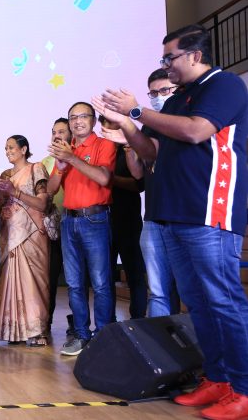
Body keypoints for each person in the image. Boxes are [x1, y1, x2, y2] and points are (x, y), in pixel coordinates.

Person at [100, 24, 248, 419]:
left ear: (195, 55)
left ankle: (244, 388)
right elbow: (151, 151)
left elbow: (198, 131)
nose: (166, 64)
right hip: (171, 214)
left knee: (223, 301)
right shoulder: (177, 98)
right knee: (197, 302)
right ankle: (218, 378)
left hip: (207, 212)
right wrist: (127, 125)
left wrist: (137, 110)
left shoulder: (225, 85)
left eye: (171, 57)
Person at [94, 69, 181, 317]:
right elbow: (142, 172)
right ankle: (130, 329)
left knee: (146, 277)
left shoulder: (180, 125)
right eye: (153, 93)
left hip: (140, 218)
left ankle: (144, 320)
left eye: (164, 90)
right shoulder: (142, 134)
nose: (158, 97)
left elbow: (137, 182)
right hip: (132, 218)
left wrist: (128, 145)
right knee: (154, 289)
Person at [47, 102, 116, 357]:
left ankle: (103, 335)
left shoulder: (104, 144)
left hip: (95, 219)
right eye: (73, 117)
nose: (77, 121)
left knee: (100, 282)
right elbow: (51, 189)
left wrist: (71, 159)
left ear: (93, 120)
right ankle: (81, 334)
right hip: (69, 220)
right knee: (74, 284)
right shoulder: (67, 149)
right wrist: (61, 165)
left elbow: (104, 178)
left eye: (83, 116)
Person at [0, 134, 51, 346]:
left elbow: (42, 204)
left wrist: (15, 192)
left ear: (24, 149)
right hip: (11, 235)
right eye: (6, 148)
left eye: (11, 148)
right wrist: (3, 196)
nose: (8, 152)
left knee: (33, 283)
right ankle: (14, 331)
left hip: (32, 234)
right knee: (10, 280)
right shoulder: (5, 174)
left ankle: (37, 332)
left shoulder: (37, 169)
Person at [98, 115, 147, 320]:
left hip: (127, 219)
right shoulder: (100, 150)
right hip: (101, 221)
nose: (111, 128)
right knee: (104, 276)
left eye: (115, 123)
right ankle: (108, 322)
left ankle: (138, 320)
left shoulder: (131, 148)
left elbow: (139, 184)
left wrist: (110, 179)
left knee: (135, 273)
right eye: (107, 123)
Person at [40, 118, 73, 335]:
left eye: (61, 131)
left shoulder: (77, 156)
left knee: (75, 278)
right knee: (49, 277)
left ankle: (77, 323)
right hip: (53, 228)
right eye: (53, 132)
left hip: (75, 223)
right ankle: (46, 321)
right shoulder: (45, 162)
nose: (56, 135)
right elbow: (46, 193)